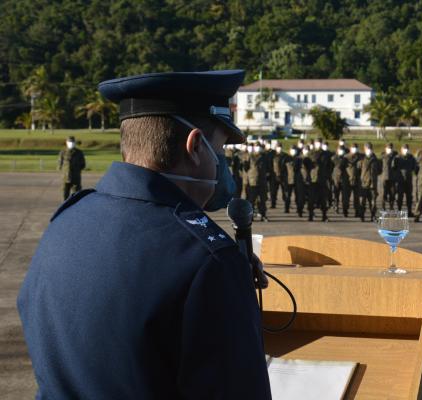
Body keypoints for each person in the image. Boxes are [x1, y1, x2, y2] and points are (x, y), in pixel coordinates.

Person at [18, 70, 271, 399]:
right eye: (220, 151)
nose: (222, 165)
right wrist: (225, 280)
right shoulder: (207, 261)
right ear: (194, 147)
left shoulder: (66, 221)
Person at [246, 144, 269, 221]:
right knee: (251, 200)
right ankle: (250, 216)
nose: (258, 148)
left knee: (262, 200)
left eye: (259, 147)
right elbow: (245, 168)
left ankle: (263, 215)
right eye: (256, 146)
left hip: (262, 181)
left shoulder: (265, 157)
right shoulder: (250, 156)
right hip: (253, 182)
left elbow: (269, 168)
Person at [359, 142, 380, 222]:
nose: (369, 150)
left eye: (370, 148)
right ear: (364, 149)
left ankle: (373, 216)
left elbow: (379, 170)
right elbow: (358, 169)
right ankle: (362, 216)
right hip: (364, 184)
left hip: (373, 184)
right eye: (367, 148)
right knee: (362, 201)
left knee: (373, 202)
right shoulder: (362, 159)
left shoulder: (376, 160)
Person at [396, 144, 416, 216]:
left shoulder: (411, 158)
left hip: (409, 180)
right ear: (401, 149)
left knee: (409, 197)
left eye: (407, 148)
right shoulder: (397, 158)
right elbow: (394, 167)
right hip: (400, 180)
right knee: (400, 197)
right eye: (404, 148)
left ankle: (409, 211)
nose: (406, 150)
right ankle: (399, 211)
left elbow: (414, 167)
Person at [332, 145, 350, 217]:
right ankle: (336, 206)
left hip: (344, 179)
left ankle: (345, 210)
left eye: (342, 150)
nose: (341, 151)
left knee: (345, 196)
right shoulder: (334, 158)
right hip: (336, 178)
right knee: (336, 194)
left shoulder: (346, 159)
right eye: (339, 150)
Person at [346, 143, 363, 217]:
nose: (354, 149)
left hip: (357, 179)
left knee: (357, 198)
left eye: (355, 147)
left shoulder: (361, 157)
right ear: (350, 149)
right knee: (346, 197)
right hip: (348, 179)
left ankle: (357, 211)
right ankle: (345, 210)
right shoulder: (346, 157)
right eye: (353, 147)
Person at [381, 143, 398, 210]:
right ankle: (383, 206)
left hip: (392, 177)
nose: (389, 149)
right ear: (385, 149)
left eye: (390, 148)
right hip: (385, 177)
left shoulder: (395, 156)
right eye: (388, 148)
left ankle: (391, 206)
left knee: (392, 193)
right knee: (384, 193)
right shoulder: (383, 156)